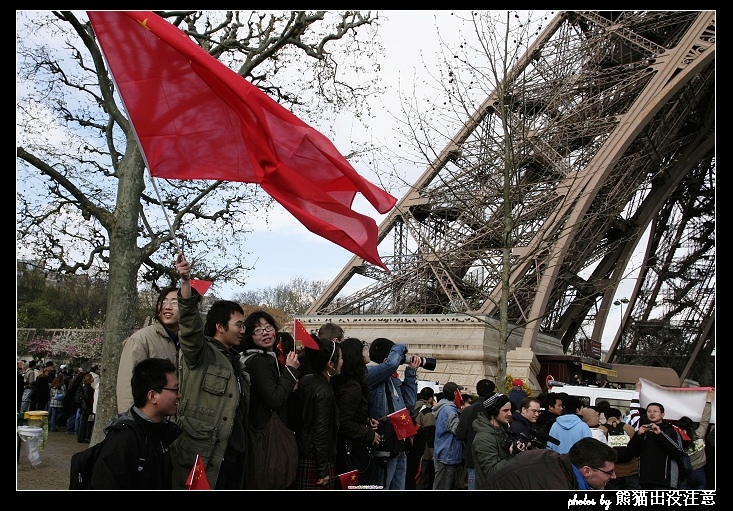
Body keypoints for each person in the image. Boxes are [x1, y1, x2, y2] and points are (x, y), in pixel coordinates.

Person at [171, 252, 250, 490]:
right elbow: (190, 327)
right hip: (200, 457)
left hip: (230, 456)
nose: (243, 330)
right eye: (239, 325)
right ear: (219, 326)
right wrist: (186, 284)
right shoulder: (201, 353)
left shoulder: (238, 364)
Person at [90, 357, 182, 489]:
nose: (179, 396)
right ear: (152, 396)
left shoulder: (160, 432)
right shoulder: (123, 439)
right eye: (175, 390)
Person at [240, 309, 300, 489]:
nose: (265, 332)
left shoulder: (267, 358)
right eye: (258, 330)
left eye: (268, 327)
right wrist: (290, 372)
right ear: (250, 336)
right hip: (264, 433)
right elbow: (274, 398)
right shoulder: (258, 361)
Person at [116, 286, 181, 413]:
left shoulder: (189, 344)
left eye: (175, 302)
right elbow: (126, 388)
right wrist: (130, 423)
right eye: (163, 302)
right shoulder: (140, 340)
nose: (167, 307)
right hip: (147, 422)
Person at [367, 338, 420, 490]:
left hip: (399, 442)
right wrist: (401, 347)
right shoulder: (371, 373)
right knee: (382, 484)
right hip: (384, 443)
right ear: (387, 358)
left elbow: (409, 404)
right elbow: (390, 365)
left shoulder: (393, 379)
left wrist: (410, 373)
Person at [292, 337, 343, 489]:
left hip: (302, 452)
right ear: (330, 364)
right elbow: (320, 433)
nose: (343, 362)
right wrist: (323, 471)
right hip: (316, 460)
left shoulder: (307, 380)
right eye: (341, 358)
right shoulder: (324, 392)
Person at [332, 338, 381, 487]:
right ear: (356, 355)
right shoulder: (353, 387)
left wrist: (365, 420)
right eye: (364, 348)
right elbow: (344, 422)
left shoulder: (350, 383)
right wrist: (369, 434)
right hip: (353, 451)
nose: (367, 351)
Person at [481, 437, 618, 490]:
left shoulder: (557, 464)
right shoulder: (556, 483)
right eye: (609, 472)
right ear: (587, 471)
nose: (614, 477)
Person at [625, 401, 684, 489]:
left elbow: (678, 452)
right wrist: (638, 436)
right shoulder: (643, 430)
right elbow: (631, 452)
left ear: (662, 414)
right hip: (645, 480)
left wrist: (660, 434)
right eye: (649, 411)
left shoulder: (671, 431)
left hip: (665, 480)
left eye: (655, 411)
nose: (652, 414)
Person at [455, 378, 495, 489]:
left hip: (472, 458)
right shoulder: (496, 409)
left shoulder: (469, 410)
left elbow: (460, 434)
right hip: (493, 458)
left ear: (477, 391)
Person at [472, 393, 518, 488]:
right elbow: (492, 472)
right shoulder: (483, 439)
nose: (510, 414)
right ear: (494, 412)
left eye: (510, 410)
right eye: (505, 410)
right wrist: (512, 455)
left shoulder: (502, 430)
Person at [676, 388, 714, 490]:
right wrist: (708, 401)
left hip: (683, 473)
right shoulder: (700, 434)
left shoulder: (676, 440)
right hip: (700, 472)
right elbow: (705, 420)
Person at [431, 381, 463, 489]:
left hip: (442, 452)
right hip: (447, 455)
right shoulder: (450, 410)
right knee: (443, 486)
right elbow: (458, 430)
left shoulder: (443, 408)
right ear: (455, 393)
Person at [600, 406, 639, 490]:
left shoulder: (602, 429)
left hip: (612, 472)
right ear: (620, 417)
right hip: (630, 471)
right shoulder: (629, 429)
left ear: (606, 417)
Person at [415, 388, 437, 489]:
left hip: (409, 449)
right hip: (425, 453)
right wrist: (433, 453)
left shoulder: (410, 407)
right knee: (424, 481)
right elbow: (430, 433)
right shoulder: (428, 412)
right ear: (430, 398)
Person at [77, 372, 95, 443]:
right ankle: (81, 437)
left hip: (84, 406)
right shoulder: (87, 387)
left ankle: (82, 436)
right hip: (86, 407)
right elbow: (87, 398)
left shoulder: (85, 387)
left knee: (83, 422)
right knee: (84, 422)